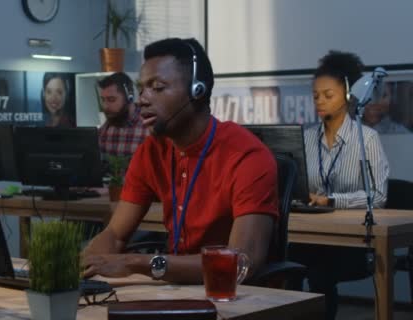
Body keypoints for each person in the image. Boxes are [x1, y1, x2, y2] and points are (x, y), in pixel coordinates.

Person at [82, 38, 278, 284]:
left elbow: (240, 262)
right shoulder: (150, 152)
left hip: (236, 297)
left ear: (197, 91)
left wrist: (134, 263)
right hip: (175, 290)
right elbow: (115, 235)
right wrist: (84, 263)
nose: (142, 98)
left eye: (157, 87)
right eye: (142, 88)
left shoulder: (247, 156)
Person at [289, 51, 390, 320]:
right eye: (315, 96)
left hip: (352, 242)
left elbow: (378, 196)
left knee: (320, 273)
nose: (319, 101)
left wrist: (331, 200)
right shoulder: (307, 138)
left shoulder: (366, 138)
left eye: (328, 95)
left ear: (347, 96)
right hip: (310, 235)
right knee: (286, 266)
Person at [97, 72, 148, 162]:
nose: (105, 106)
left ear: (130, 98)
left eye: (111, 99)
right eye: (103, 100)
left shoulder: (148, 127)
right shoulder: (105, 129)